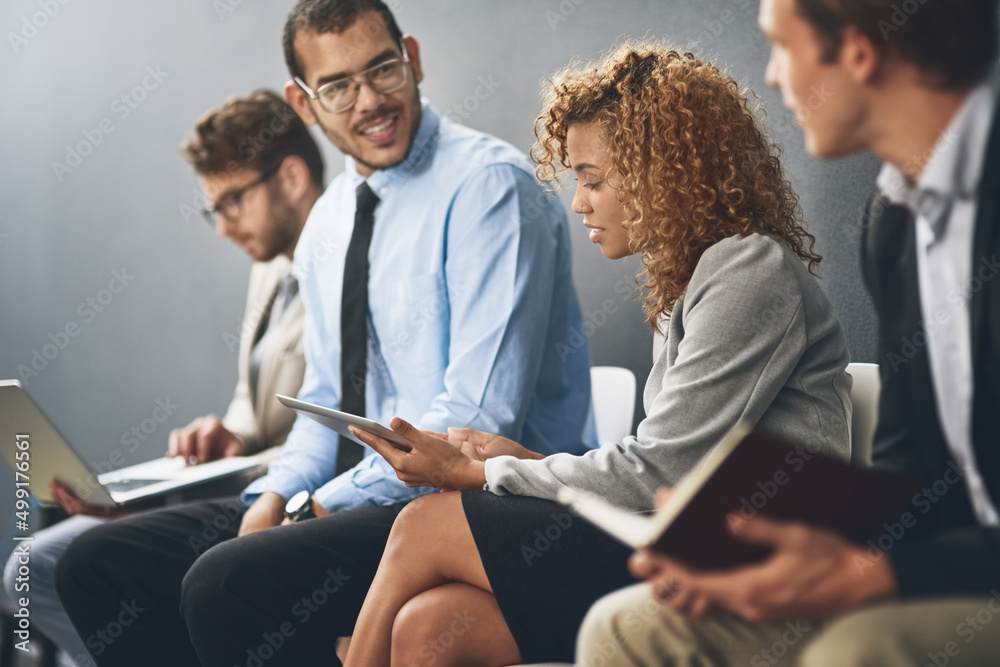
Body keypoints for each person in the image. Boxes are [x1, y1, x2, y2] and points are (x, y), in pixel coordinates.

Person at [54, 1, 595, 666]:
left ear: (414, 60)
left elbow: (472, 423)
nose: (370, 101)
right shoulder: (331, 219)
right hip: (351, 496)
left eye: (383, 70)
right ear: (304, 104)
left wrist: (315, 507)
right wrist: (274, 497)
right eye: (338, 86)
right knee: (96, 563)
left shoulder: (489, 189)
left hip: (480, 509)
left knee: (230, 581)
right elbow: (324, 399)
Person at [343, 41, 854, 666]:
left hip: (749, 561)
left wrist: (477, 472)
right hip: (680, 537)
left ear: (662, 174)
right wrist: (529, 460)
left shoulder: (748, 268)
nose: (580, 202)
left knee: (422, 526)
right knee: (430, 625)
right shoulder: (693, 282)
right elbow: (662, 463)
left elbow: (665, 471)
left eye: (592, 180)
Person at [575, 1, 1000, 665]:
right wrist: (782, 555)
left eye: (780, 46)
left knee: (855, 651)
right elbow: (908, 467)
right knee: (626, 626)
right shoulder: (893, 217)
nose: (771, 77)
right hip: (935, 562)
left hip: (971, 576)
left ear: (859, 52)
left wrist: (880, 575)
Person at [1, 89, 315, 667]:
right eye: (213, 209)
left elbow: (337, 429)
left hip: (290, 504)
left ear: (292, 177)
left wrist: (181, 494)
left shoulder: (347, 269)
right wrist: (228, 437)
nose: (222, 228)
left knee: (51, 569)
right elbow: (254, 407)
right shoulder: (271, 270)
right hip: (241, 481)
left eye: (233, 203)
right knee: (34, 566)